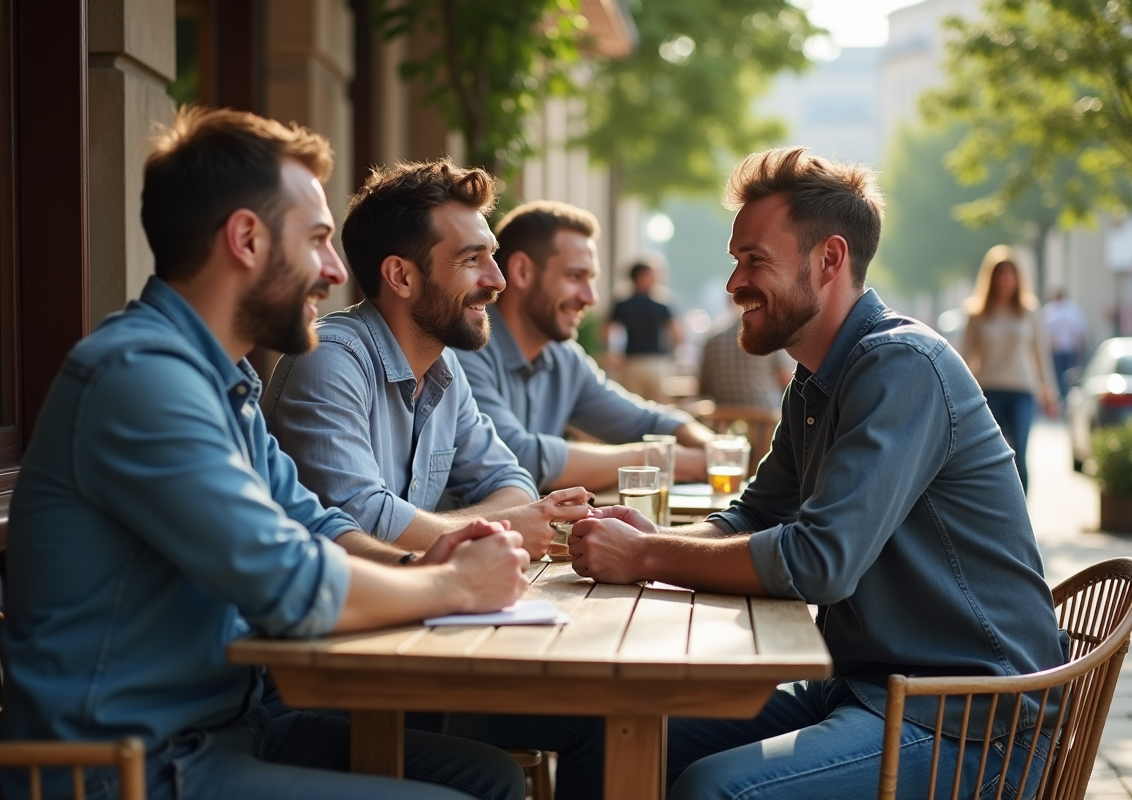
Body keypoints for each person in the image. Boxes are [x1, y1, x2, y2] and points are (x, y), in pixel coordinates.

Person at [0, 107, 532, 800]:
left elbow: (320, 528)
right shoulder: (140, 378)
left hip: (231, 729)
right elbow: (288, 584)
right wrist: (455, 585)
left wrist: (420, 562)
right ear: (246, 239)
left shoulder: (223, 381)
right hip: (128, 769)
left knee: (486, 777)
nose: (337, 269)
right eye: (316, 240)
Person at [567, 147, 1069, 800]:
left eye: (755, 261)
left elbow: (818, 562)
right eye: (735, 260)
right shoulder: (816, 381)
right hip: (864, 690)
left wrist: (646, 557)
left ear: (828, 259)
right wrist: (648, 540)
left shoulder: (901, 366)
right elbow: (754, 513)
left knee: (715, 789)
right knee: (601, 744)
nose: (733, 284)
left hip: (967, 719)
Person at [264, 162, 603, 800]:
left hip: (412, 654)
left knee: (594, 725)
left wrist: (499, 522)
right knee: (503, 771)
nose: (498, 282)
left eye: (494, 258)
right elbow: (360, 515)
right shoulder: (329, 360)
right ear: (401, 275)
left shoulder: (446, 371)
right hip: (324, 680)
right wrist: (500, 529)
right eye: (473, 260)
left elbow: (512, 480)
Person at [453, 200, 712, 493]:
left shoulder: (564, 358)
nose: (590, 298)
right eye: (575, 277)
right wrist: (660, 459)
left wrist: (712, 447)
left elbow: (647, 421)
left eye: (592, 280)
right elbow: (515, 456)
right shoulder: (466, 348)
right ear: (522, 271)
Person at [961, 246, 1059, 492]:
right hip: (988, 392)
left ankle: (1021, 520)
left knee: (1020, 456)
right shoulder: (977, 313)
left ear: (1017, 278)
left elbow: (1040, 355)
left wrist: (1050, 392)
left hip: (1021, 391)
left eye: (1010, 274)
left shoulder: (1029, 312)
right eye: (1000, 274)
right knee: (989, 459)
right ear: (991, 278)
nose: (1005, 279)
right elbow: (964, 358)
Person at [604, 261, 679, 403]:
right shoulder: (662, 304)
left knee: (631, 409)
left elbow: (605, 333)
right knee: (661, 409)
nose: (657, 279)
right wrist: (670, 354)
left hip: (630, 363)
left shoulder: (621, 304)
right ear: (641, 276)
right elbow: (676, 333)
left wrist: (612, 353)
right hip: (656, 363)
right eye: (653, 275)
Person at [698, 305, 795, 409]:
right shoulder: (767, 333)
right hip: (764, 420)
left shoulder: (712, 337)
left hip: (723, 421)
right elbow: (786, 379)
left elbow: (704, 386)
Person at [1042, 288, 1090, 399]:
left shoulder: (1064, 310)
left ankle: (1064, 396)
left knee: (1066, 376)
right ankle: (1062, 396)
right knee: (1061, 376)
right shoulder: (1055, 310)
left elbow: (1080, 331)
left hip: (1066, 349)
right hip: (1060, 350)